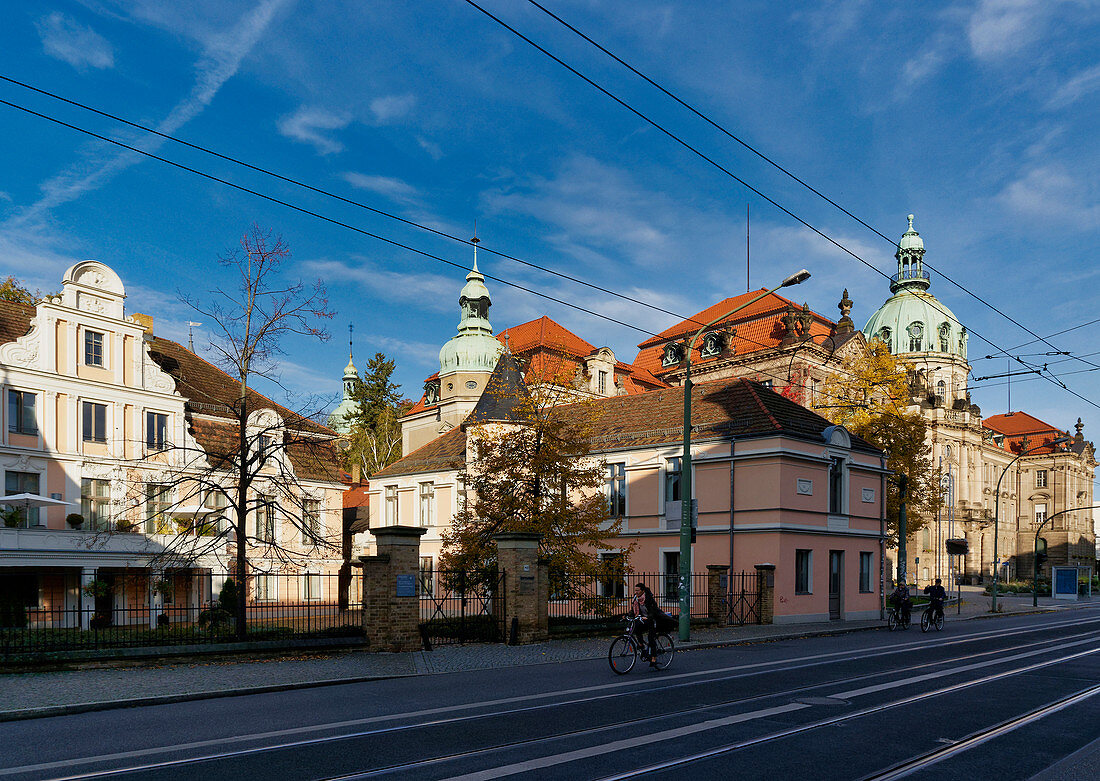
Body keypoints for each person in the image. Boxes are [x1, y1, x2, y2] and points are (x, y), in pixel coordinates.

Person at [628, 582, 660, 665]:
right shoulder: (636, 599)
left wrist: (649, 617)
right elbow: (634, 610)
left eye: (637, 590)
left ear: (642, 591)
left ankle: (654, 658)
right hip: (643, 619)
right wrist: (628, 615)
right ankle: (641, 644)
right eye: (635, 590)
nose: (636, 592)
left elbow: (653, 610)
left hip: (651, 620)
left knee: (651, 638)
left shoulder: (648, 598)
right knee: (636, 626)